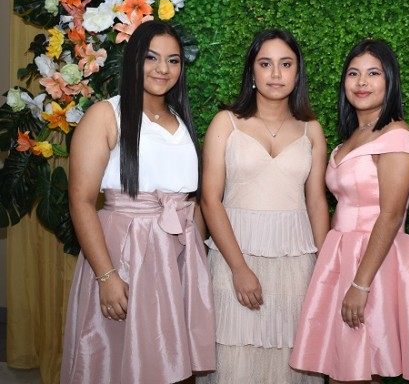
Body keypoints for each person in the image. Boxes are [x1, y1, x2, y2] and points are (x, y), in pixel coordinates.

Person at [60, 20, 215, 384]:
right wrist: (106, 276)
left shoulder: (181, 120)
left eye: (173, 60)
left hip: (177, 258)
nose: (163, 68)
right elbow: (81, 201)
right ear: (133, 59)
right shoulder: (106, 115)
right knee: (118, 361)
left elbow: (191, 201)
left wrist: (197, 266)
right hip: (126, 256)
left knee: (173, 364)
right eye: (151, 57)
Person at [289, 39, 409, 384]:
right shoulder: (352, 137)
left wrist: (360, 285)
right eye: (353, 73)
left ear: (390, 80)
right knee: (348, 370)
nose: (362, 82)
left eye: (373, 73)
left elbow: (391, 215)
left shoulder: (397, 137)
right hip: (342, 256)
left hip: (380, 262)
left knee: (403, 372)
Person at [200, 29, 329, 383]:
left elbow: (316, 201)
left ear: (297, 72)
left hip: (295, 260)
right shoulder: (226, 122)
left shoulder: (311, 129)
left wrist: (327, 268)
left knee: (291, 356)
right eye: (265, 63)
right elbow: (210, 199)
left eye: (286, 64)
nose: (275, 73)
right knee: (234, 356)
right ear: (252, 71)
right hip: (234, 254)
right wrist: (239, 268)